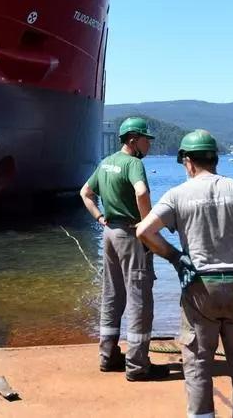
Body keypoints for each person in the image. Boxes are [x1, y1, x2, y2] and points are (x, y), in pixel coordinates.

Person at [137, 129, 233, 418]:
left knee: (197, 363)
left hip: (200, 290)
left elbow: (144, 231)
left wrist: (175, 258)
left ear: (188, 162)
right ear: (216, 159)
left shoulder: (177, 195)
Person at [79, 116, 168, 381]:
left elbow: (85, 192)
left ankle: (107, 356)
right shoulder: (133, 164)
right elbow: (141, 193)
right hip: (130, 234)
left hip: (110, 233)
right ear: (133, 140)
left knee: (112, 294)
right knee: (140, 297)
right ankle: (138, 365)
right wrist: (146, 225)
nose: (149, 144)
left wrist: (99, 217)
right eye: (145, 139)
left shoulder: (106, 163)